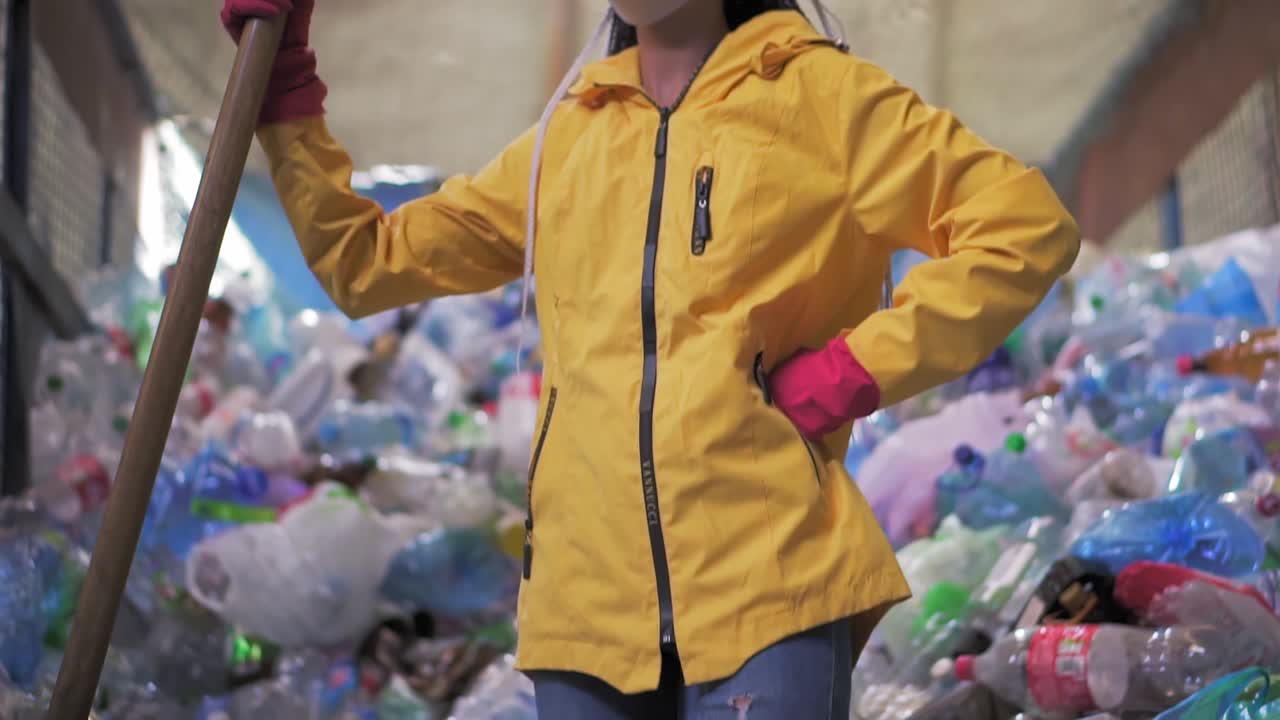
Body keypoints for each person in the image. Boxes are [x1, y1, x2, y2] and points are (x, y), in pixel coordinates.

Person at [221, 0, 1081, 716]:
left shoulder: (826, 100)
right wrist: (286, 94)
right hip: (583, 614)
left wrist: (853, 370)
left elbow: (1022, 226)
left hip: (769, 583)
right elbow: (366, 263)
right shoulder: (568, 142)